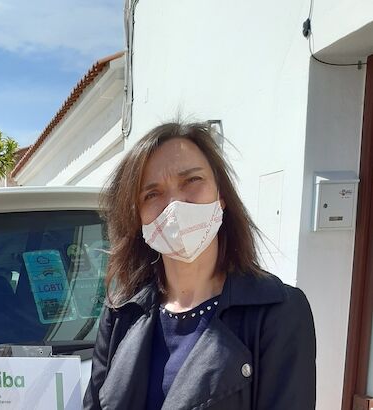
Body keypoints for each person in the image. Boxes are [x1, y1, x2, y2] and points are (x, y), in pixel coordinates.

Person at [83, 122, 316, 409]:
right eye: (152, 194)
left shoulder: (278, 312)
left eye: (192, 180)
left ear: (221, 196)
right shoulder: (121, 313)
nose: (174, 204)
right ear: (138, 217)